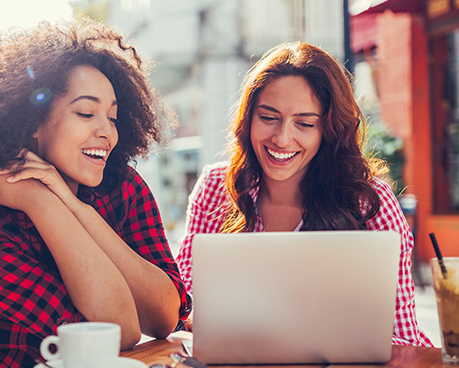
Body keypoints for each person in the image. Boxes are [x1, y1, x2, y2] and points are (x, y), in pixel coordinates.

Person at [0, 19, 190, 367]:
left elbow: (164, 317)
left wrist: (75, 208)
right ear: (32, 124)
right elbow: (117, 333)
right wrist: (42, 203)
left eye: (113, 117)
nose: (107, 133)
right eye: (86, 113)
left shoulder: (121, 189)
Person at [174, 41, 432, 347]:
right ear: (248, 119)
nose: (283, 138)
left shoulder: (368, 202)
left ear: (329, 129)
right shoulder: (216, 187)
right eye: (268, 118)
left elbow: (402, 337)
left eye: (305, 123)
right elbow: (185, 306)